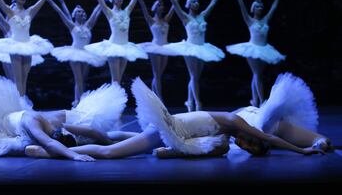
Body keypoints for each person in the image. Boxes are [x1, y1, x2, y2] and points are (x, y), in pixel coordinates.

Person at [34, 74, 327, 159]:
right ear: (252, 137)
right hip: (168, 126)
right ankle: (52, 150)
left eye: (248, 150)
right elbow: (270, 137)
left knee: (111, 138)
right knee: (109, 152)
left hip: (170, 132)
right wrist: (301, 149)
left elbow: (200, 150)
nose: (245, 146)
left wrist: (170, 154)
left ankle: (66, 133)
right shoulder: (235, 122)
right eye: (251, 145)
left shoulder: (226, 141)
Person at [0, 76, 133, 161]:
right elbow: (53, 143)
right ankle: (122, 139)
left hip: (13, 132)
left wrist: (77, 153)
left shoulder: (50, 131)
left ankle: (130, 139)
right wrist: (75, 155)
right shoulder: (37, 124)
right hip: (6, 121)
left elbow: (88, 133)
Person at [160, 0, 228, 111]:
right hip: (190, 48)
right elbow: (174, 2)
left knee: (196, 77)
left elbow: (213, 4)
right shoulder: (185, 17)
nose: (197, 3)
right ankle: (198, 104)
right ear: (189, 4)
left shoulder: (202, 15)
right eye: (194, 1)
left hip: (202, 48)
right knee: (194, 76)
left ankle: (190, 101)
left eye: (197, 1)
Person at [81, 0, 149, 84]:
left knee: (120, 80)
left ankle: (118, 100)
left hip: (126, 47)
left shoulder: (127, 11)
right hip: (113, 47)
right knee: (115, 80)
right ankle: (114, 101)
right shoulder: (109, 12)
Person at [226, 0, 286, 107]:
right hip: (252, 49)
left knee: (257, 75)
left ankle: (255, 100)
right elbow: (241, 6)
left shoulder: (265, 20)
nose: (260, 8)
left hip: (264, 49)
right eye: (257, 6)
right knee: (258, 75)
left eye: (261, 6)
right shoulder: (249, 19)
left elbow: (273, 9)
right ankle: (262, 101)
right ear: (253, 8)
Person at [47, 0, 107, 107]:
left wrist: (103, 0)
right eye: (79, 11)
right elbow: (61, 12)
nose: (82, 12)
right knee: (78, 79)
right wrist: (50, 0)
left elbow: (96, 11)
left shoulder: (88, 25)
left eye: (83, 11)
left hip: (87, 54)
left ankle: (78, 101)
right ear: (74, 15)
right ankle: (80, 104)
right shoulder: (72, 26)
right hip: (74, 53)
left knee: (83, 79)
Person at [128, 0, 185, 100]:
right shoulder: (151, 20)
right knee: (157, 75)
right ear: (154, 7)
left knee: (159, 75)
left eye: (162, 4)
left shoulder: (166, 19)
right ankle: (160, 99)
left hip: (165, 47)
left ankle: (153, 97)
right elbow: (142, 5)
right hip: (155, 47)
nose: (161, 6)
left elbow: (174, 6)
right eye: (159, 4)